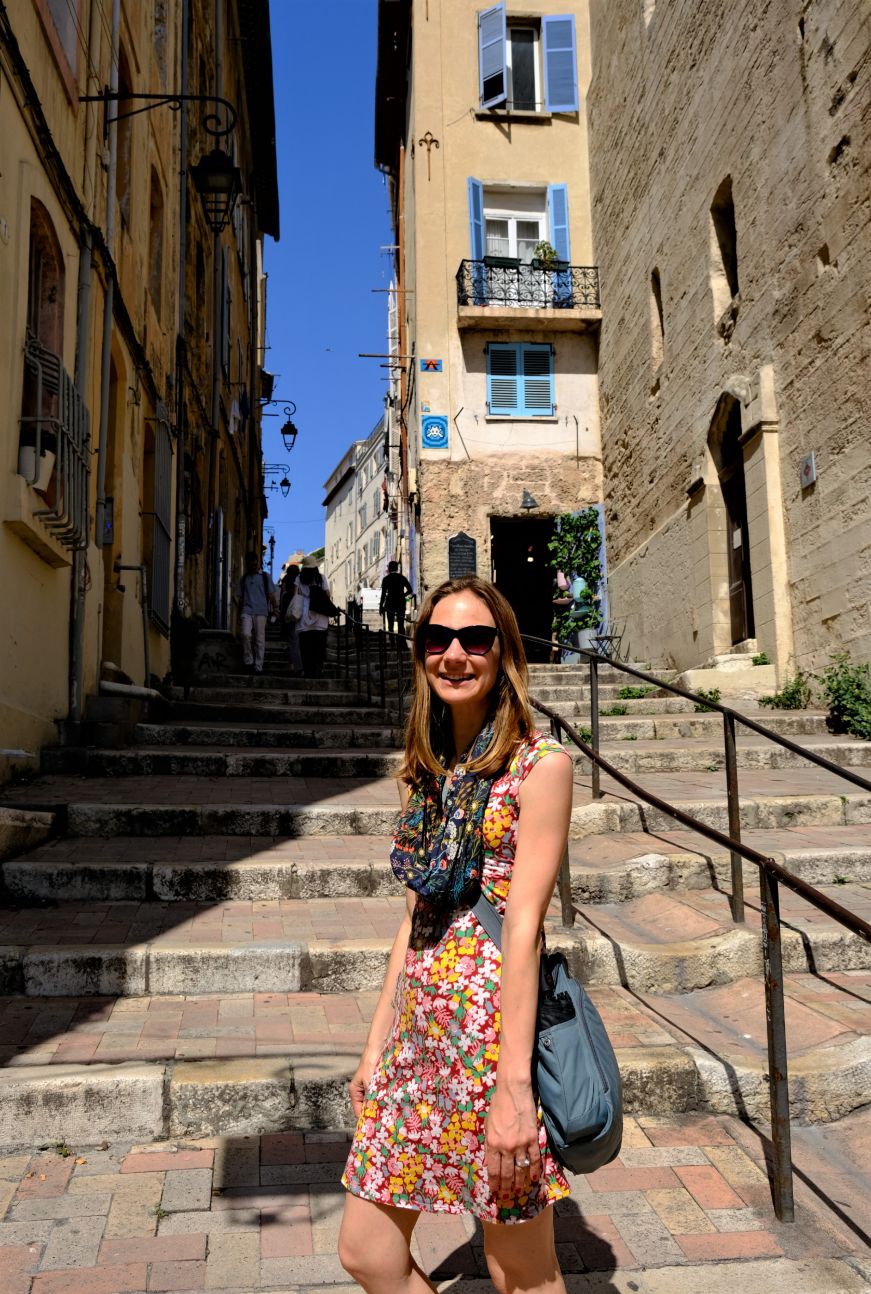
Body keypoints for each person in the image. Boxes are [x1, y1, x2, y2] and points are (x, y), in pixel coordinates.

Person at [339, 574, 574, 1294]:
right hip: (417, 1043)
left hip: (486, 1044)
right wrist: (376, 1044)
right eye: (437, 639)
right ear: (420, 654)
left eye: (475, 639)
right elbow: (413, 919)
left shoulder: (540, 767)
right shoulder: (424, 774)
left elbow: (526, 930)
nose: (455, 655)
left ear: (503, 653)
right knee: (366, 1250)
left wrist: (512, 1091)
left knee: (517, 1271)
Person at [235, 551, 277, 674]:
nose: (253, 567)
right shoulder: (244, 579)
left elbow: (271, 594)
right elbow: (240, 599)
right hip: (247, 611)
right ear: (247, 565)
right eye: (250, 565)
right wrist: (238, 615)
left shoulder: (265, 577)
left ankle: (258, 666)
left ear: (258, 563)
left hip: (261, 612)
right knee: (245, 634)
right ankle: (248, 661)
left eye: (255, 564)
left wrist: (275, 609)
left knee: (259, 639)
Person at [296, 554, 332, 679]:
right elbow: (327, 595)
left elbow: (296, 595)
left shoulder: (299, 579)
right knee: (319, 647)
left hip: (304, 616)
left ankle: (308, 672)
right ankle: (317, 671)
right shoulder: (321, 578)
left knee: (305, 647)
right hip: (320, 615)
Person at [279, 563, 303, 676]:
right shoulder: (300, 580)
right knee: (298, 641)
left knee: (293, 641)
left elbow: (282, 609)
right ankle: (299, 666)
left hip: (289, 617)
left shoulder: (285, 592)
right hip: (300, 615)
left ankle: (295, 666)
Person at [380, 560, 413, 636]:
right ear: (397, 568)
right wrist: (403, 595)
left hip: (390, 603)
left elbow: (383, 594)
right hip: (400, 603)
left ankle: (392, 643)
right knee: (401, 624)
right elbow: (410, 590)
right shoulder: (402, 578)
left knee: (390, 625)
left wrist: (381, 607)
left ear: (389, 569)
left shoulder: (386, 579)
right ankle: (401, 642)